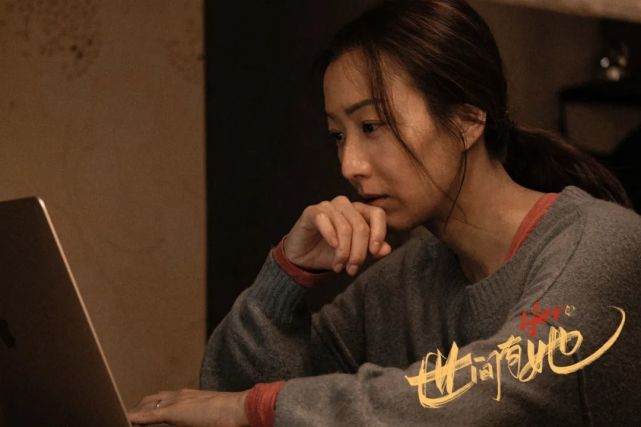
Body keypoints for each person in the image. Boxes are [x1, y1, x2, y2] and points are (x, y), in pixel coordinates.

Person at [127, 0, 641, 426]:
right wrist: (284, 279)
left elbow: (488, 395)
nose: (349, 165)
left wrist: (253, 408)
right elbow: (231, 395)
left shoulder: (603, 246)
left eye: (371, 126)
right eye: (338, 135)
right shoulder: (407, 278)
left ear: (467, 120)